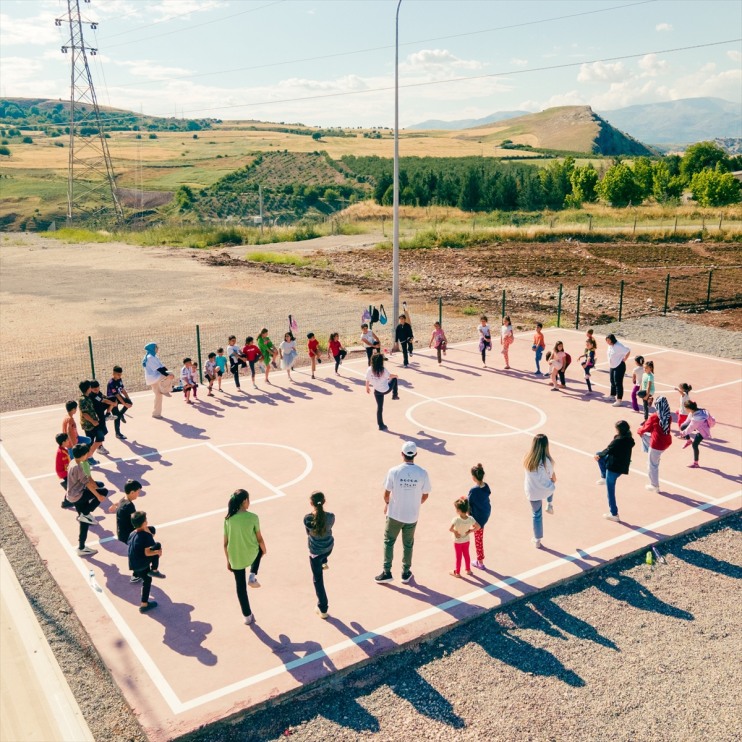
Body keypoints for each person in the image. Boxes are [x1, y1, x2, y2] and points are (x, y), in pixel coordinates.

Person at [375, 441, 431, 584]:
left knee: (389, 542)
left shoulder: (394, 471)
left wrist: (387, 504)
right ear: (415, 454)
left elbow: (386, 493)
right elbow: (425, 494)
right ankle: (405, 573)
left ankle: (387, 572)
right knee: (408, 544)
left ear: (402, 454)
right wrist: (415, 504)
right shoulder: (422, 473)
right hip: (412, 516)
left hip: (395, 514)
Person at [223, 489, 267, 625]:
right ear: (244, 501)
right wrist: (264, 551)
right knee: (260, 549)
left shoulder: (228, 519)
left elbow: (225, 543)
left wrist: (228, 560)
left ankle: (247, 616)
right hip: (251, 553)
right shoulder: (253, 517)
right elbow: (259, 538)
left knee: (240, 587)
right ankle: (252, 575)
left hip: (235, 556)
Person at [65, 444, 111, 557]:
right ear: (83, 455)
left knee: (84, 522)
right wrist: (98, 496)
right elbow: (88, 484)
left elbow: (87, 481)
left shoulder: (73, 462)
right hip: (78, 495)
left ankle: (81, 547)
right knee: (103, 492)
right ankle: (85, 514)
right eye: (87, 453)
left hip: (72, 494)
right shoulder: (79, 467)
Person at [595, 420, 635, 522]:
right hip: (622, 466)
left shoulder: (618, 441)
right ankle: (603, 476)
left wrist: (598, 456)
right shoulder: (629, 439)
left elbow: (608, 449)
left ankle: (614, 513)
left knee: (610, 491)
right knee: (600, 455)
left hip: (613, 467)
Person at [303, 491, 335, 619]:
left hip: (316, 552)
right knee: (323, 555)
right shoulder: (331, 517)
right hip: (328, 548)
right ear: (324, 501)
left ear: (311, 503)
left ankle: (323, 608)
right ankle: (324, 561)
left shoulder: (308, 518)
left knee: (318, 580)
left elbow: (308, 533)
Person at [128, 511, 165, 614]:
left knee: (146, 578)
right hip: (141, 564)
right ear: (144, 523)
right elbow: (148, 552)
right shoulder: (146, 536)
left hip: (133, 564)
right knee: (147, 580)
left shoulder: (132, 534)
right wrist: (158, 552)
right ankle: (154, 570)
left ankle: (143, 573)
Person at [523, 434, 556, 548]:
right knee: (552, 483)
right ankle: (550, 504)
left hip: (533, 491)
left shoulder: (527, 458)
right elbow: (553, 477)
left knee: (536, 515)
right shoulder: (547, 461)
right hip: (546, 490)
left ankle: (537, 540)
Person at [637, 396, 672, 492]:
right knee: (655, 458)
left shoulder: (655, 416)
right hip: (666, 441)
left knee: (652, 465)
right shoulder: (668, 416)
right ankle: (653, 455)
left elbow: (645, 428)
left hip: (657, 443)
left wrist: (639, 431)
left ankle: (654, 485)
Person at [365, 352, 399, 431]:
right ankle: (395, 395)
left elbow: (367, 379)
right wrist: (396, 375)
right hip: (385, 390)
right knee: (394, 379)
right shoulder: (383, 370)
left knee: (379, 408)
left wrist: (367, 387)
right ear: (381, 362)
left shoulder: (369, 369)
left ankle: (380, 425)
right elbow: (390, 376)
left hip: (377, 392)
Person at [466, 463, 491, 569]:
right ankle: (479, 560)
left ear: (473, 477)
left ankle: (480, 562)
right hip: (486, 513)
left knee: (478, 539)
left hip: (478, 519)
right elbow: (488, 493)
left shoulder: (473, 490)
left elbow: (469, 504)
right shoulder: (485, 486)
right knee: (478, 536)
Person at [143, 342, 174, 419]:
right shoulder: (150, 357)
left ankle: (156, 414)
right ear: (152, 348)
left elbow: (162, 367)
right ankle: (165, 390)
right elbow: (159, 369)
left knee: (158, 396)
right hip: (153, 378)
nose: (158, 348)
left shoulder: (154, 356)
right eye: (156, 347)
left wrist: (168, 372)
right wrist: (168, 374)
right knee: (169, 374)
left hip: (156, 377)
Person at [449, 498, 478, 577]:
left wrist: (455, 532)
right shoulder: (470, 519)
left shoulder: (456, 520)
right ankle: (468, 570)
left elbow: (450, 529)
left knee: (458, 557)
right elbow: (477, 527)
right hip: (466, 540)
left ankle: (457, 572)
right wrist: (470, 531)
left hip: (458, 541)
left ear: (459, 510)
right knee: (466, 555)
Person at [680, 401, 714, 468]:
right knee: (683, 426)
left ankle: (696, 463)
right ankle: (688, 441)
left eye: (685, 408)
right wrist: (683, 426)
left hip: (702, 431)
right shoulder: (695, 410)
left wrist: (683, 433)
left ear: (689, 408)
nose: (685, 409)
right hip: (698, 426)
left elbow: (690, 428)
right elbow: (688, 421)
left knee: (695, 445)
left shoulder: (697, 418)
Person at [78, 380, 104, 459]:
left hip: (93, 422)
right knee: (91, 441)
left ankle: (89, 456)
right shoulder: (83, 399)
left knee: (99, 437)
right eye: (90, 387)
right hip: (88, 424)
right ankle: (88, 457)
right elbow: (85, 413)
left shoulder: (88, 397)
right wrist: (93, 421)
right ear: (87, 388)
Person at [106, 366, 133, 439]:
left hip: (118, 398)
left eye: (120, 375)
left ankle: (121, 414)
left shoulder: (119, 380)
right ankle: (117, 433)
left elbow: (122, 390)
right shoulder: (111, 383)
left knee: (130, 403)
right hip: (112, 400)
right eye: (118, 375)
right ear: (113, 374)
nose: (120, 376)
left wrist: (128, 399)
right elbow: (117, 395)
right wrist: (124, 404)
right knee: (116, 416)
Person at [605, 334, 631, 408]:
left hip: (619, 366)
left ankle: (619, 400)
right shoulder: (610, 346)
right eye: (606, 340)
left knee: (618, 383)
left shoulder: (619, 346)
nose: (607, 342)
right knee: (612, 381)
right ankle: (612, 396)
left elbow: (628, 350)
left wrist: (625, 359)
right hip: (612, 366)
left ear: (612, 340)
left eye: (608, 340)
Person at [55, 433, 75, 508]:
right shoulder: (62, 453)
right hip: (64, 472)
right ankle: (66, 502)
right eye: (67, 440)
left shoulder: (63, 449)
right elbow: (67, 466)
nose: (69, 441)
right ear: (63, 442)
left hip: (63, 472)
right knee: (72, 487)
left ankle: (67, 501)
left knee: (72, 486)